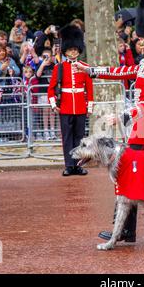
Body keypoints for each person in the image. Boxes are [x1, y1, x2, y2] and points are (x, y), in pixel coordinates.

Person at [76, 0, 144, 244]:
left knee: (129, 173)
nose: (137, 36)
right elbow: (122, 71)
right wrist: (91, 70)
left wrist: (123, 114)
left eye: (143, 35)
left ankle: (128, 229)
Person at [47, 25, 94, 176]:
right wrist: (54, 105)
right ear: (65, 51)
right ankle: (69, 165)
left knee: (80, 138)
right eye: (70, 49)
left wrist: (90, 106)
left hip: (80, 106)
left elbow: (90, 88)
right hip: (65, 107)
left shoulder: (85, 67)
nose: (73, 52)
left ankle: (78, 165)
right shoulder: (59, 68)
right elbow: (51, 88)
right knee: (67, 138)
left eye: (75, 49)